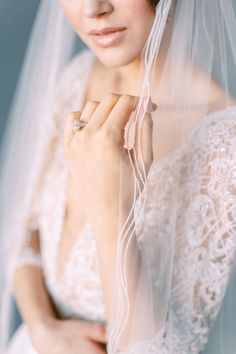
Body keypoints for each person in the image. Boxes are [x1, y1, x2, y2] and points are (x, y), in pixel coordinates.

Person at [0, 0, 236, 353]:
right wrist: (41, 326)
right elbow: (23, 230)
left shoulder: (223, 144)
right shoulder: (75, 78)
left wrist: (112, 207)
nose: (93, 9)